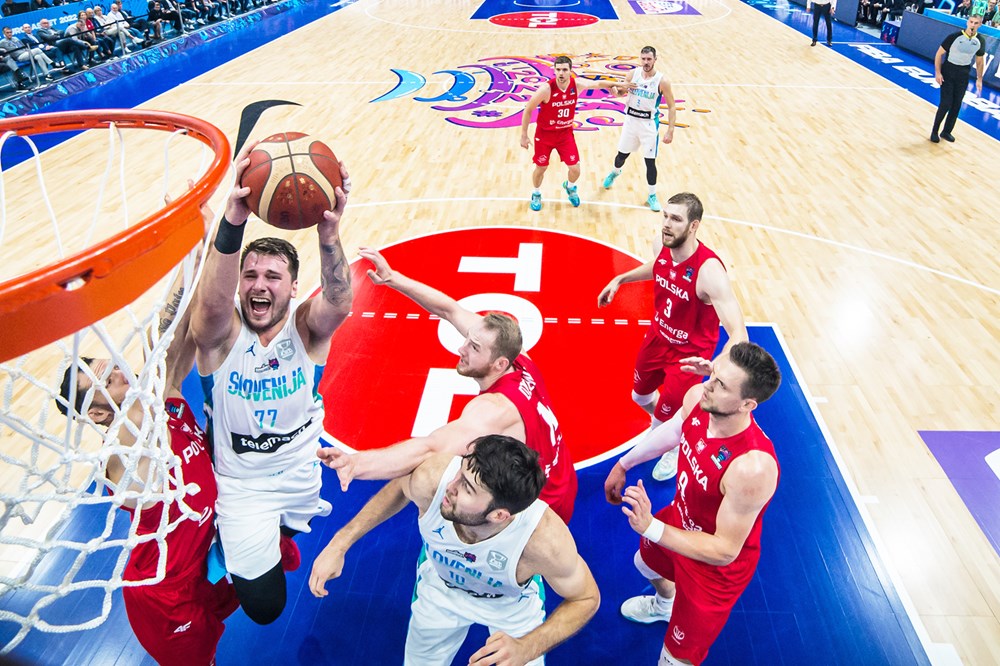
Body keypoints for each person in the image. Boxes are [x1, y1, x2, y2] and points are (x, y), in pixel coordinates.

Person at [56, 197, 239, 665]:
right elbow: (163, 337)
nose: (118, 369)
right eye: (104, 380)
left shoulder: (162, 398)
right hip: (164, 596)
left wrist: (198, 245)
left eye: (107, 364)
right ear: (99, 415)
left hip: (206, 560)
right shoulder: (124, 445)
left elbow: (176, 332)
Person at [190, 141, 353, 625]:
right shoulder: (222, 337)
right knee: (266, 608)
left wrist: (329, 234)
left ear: (294, 287)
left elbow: (340, 303)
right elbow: (212, 308)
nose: (259, 285)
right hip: (244, 486)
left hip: (301, 468)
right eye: (250, 276)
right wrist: (233, 221)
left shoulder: (305, 328)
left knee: (289, 533)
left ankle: (272, 537)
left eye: (273, 276)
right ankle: (233, 543)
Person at [318, 247, 578, 524]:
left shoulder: (494, 409)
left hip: (541, 509)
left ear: (499, 364)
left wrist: (356, 463)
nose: (461, 348)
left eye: (474, 347)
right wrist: (393, 278)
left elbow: (430, 448)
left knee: (430, 478)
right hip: (562, 478)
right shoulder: (518, 358)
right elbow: (450, 309)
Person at [309, 435, 600, 666]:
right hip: (440, 589)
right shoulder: (434, 479)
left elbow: (586, 598)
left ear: (499, 515)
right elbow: (401, 487)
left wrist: (527, 647)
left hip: (511, 605)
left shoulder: (543, 540)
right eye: (460, 472)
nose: (450, 486)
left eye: (468, 489)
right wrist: (339, 543)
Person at [605, 342, 781, 666]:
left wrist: (652, 527)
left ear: (747, 404)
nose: (708, 385)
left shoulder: (752, 468)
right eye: (713, 374)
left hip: (713, 571)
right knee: (643, 563)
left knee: (674, 660)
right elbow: (675, 430)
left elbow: (724, 550)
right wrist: (624, 464)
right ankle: (664, 605)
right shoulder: (700, 400)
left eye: (721, 384)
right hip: (680, 520)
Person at [597, 192, 747, 482]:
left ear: (693, 226)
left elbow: (738, 332)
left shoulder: (709, 271)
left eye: (676, 219)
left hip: (689, 355)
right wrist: (620, 279)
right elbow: (658, 266)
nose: (666, 223)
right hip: (658, 337)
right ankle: (667, 425)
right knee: (639, 396)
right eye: (665, 216)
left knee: (662, 419)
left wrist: (718, 368)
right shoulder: (661, 244)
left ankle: (674, 441)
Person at [519, 55, 628, 212]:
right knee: (541, 168)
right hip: (545, 135)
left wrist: (619, 84)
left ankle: (570, 187)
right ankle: (536, 193)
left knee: (576, 169)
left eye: (564, 70)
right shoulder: (546, 90)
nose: (561, 73)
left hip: (565, 134)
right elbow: (528, 109)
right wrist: (524, 135)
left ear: (570, 71)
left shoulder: (576, 85)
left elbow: (598, 83)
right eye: (558, 70)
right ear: (554, 71)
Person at [601, 46, 676, 213]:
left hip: (649, 125)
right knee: (621, 156)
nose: (646, 62)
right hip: (631, 121)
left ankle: (652, 195)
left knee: (650, 162)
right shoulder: (632, 75)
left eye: (649, 59)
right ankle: (615, 172)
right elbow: (620, 92)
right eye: (643, 59)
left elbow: (672, 106)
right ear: (640, 59)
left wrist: (670, 130)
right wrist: (615, 91)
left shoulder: (662, 81)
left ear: (655, 59)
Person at [930, 12, 986, 144]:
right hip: (949, 70)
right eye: (971, 22)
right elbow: (939, 54)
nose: (973, 25)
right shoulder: (954, 37)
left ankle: (946, 131)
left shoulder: (980, 41)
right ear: (967, 22)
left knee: (956, 104)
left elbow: (979, 61)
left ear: (980, 25)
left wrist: (979, 79)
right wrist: (938, 72)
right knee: (945, 103)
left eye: (976, 23)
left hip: (963, 73)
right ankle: (934, 131)